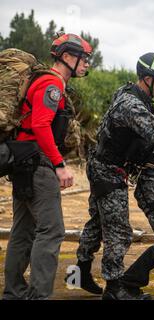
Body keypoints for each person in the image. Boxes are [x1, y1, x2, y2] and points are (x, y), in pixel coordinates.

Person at [74, 52, 154, 300]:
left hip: (109, 167)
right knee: (119, 229)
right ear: (146, 78)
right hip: (107, 170)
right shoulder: (130, 103)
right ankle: (114, 289)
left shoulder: (141, 100)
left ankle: (81, 267)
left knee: (98, 221)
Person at [2, 33, 92, 300]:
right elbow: (41, 125)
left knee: (22, 230)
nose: (87, 64)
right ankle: (38, 295)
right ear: (67, 57)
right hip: (39, 165)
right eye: (84, 59)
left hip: (24, 165)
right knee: (51, 231)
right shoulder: (52, 84)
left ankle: (14, 293)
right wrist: (60, 165)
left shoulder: (44, 82)